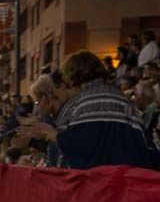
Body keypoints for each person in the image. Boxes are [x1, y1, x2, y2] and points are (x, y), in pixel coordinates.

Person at [17, 51, 160, 170]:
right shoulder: (120, 97)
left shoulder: (85, 100)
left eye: (67, 85)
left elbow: (81, 146)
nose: (66, 92)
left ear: (75, 80)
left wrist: (53, 135)